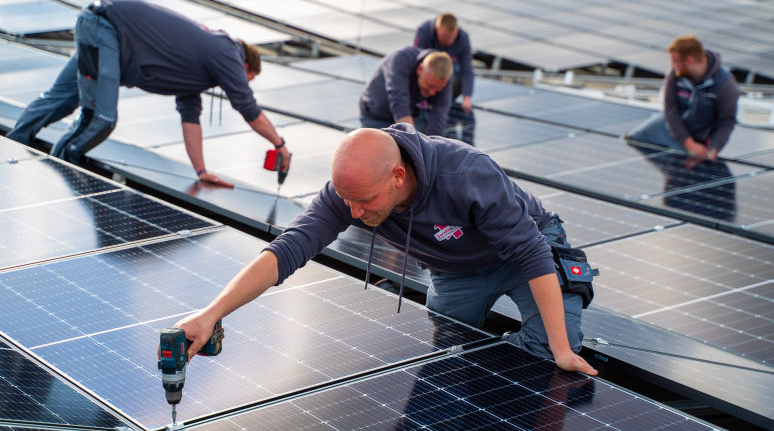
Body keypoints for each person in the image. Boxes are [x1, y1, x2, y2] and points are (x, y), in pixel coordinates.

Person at [175, 124, 598, 376]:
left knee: (553, 350)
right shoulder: (349, 193)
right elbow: (288, 250)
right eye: (347, 202)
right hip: (453, 270)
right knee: (453, 348)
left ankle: (511, 393)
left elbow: (531, 254)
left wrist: (562, 351)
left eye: (365, 202)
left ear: (397, 176)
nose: (355, 213)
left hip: (520, 256)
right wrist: (212, 313)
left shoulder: (465, 172)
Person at [6, 0, 290, 188]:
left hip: (99, 24)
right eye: (247, 77)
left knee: (61, 100)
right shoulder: (226, 52)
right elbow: (247, 106)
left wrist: (201, 172)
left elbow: (190, 119)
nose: (240, 83)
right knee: (101, 118)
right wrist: (279, 145)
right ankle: (58, 163)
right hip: (106, 27)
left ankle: (14, 148)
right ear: (244, 65)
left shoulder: (199, 71)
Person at [625, 35, 740, 160]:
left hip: (697, 140)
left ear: (689, 61)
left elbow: (727, 121)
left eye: (675, 61)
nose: (673, 66)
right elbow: (670, 110)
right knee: (633, 139)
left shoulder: (724, 84)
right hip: (671, 128)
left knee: (685, 170)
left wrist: (714, 148)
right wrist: (688, 143)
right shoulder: (675, 75)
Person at [359, 47, 453, 137]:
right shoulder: (400, 59)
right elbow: (399, 103)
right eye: (430, 85)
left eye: (438, 89)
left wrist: (432, 147)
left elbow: (439, 116)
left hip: (413, 116)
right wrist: (412, 143)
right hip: (377, 117)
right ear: (420, 69)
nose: (432, 93)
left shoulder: (444, 76)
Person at [415, 12, 475, 144]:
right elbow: (416, 61)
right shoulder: (424, 32)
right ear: (437, 30)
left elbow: (467, 69)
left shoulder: (463, 38)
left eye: (451, 38)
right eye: (445, 38)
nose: (448, 42)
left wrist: (467, 97)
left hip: (448, 78)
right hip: (426, 77)